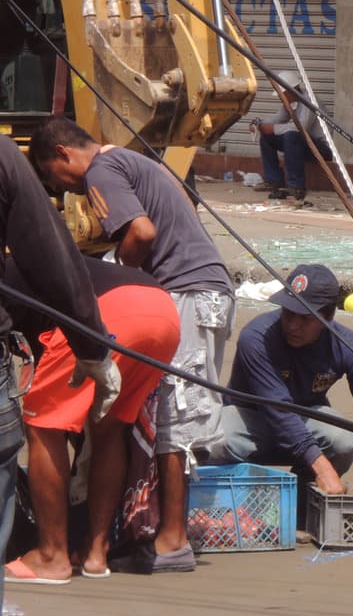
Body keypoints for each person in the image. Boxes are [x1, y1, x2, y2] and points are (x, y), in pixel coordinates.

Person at [30, 118, 234, 574]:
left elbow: (141, 232)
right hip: (194, 292)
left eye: (53, 177)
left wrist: (124, 270)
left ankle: (172, 539)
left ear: (63, 154)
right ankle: (145, 529)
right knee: (155, 415)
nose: (66, 190)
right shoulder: (135, 161)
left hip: (189, 292)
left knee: (174, 418)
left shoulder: (102, 170)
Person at [0, 132, 120, 616]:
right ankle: (81, 551)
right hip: (137, 317)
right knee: (100, 429)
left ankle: (60, 552)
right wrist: (91, 346)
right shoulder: (3, 157)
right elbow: (48, 255)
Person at [4, 258, 179, 583]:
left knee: (43, 425)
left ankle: (51, 556)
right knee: (108, 429)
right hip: (163, 311)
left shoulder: (8, 277)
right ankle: (95, 553)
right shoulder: (29, 260)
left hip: (107, 313)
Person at [204, 264, 353, 499]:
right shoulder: (256, 337)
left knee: (344, 440)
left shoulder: (347, 344)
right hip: (250, 423)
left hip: (304, 420)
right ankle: (230, 499)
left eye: (304, 318)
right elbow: (278, 409)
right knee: (212, 439)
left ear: (329, 317)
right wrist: (323, 467)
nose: (293, 325)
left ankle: (304, 500)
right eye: (288, 313)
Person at [251, 70, 334, 205]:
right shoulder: (291, 103)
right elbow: (277, 119)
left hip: (321, 149)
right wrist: (260, 125)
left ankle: (296, 186)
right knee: (267, 136)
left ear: (290, 91)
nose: (280, 97)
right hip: (301, 147)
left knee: (292, 135)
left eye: (281, 94)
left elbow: (300, 128)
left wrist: (273, 129)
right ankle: (273, 180)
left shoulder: (310, 101)